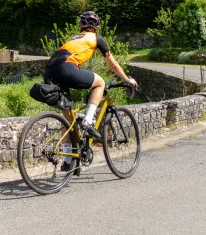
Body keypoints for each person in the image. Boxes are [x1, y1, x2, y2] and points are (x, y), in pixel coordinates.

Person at [44, 11, 137, 170]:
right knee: (99, 83)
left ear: (81, 26)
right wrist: (128, 80)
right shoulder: (96, 38)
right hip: (66, 67)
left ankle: (68, 161)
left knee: (68, 119)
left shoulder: (73, 37)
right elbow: (112, 64)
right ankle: (88, 120)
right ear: (96, 27)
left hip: (50, 70)